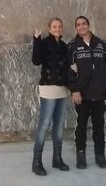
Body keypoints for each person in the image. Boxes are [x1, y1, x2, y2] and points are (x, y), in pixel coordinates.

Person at [67, 15, 106, 170]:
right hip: (81, 94)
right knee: (81, 126)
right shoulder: (72, 47)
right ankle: (81, 155)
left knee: (99, 125)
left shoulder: (102, 45)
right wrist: (74, 91)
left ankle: (100, 155)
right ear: (76, 28)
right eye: (78, 25)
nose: (81, 26)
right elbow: (69, 72)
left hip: (99, 93)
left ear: (88, 25)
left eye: (84, 24)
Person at [31, 17, 70, 176]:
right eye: (54, 26)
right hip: (48, 89)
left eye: (60, 26)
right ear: (49, 28)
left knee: (59, 126)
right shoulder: (44, 43)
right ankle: (36, 162)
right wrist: (36, 41)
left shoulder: (64, 45)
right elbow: (36, 61)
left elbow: (67, 68)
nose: (57, 28)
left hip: (62, 89)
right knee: (44, 125)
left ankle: (57, 159)